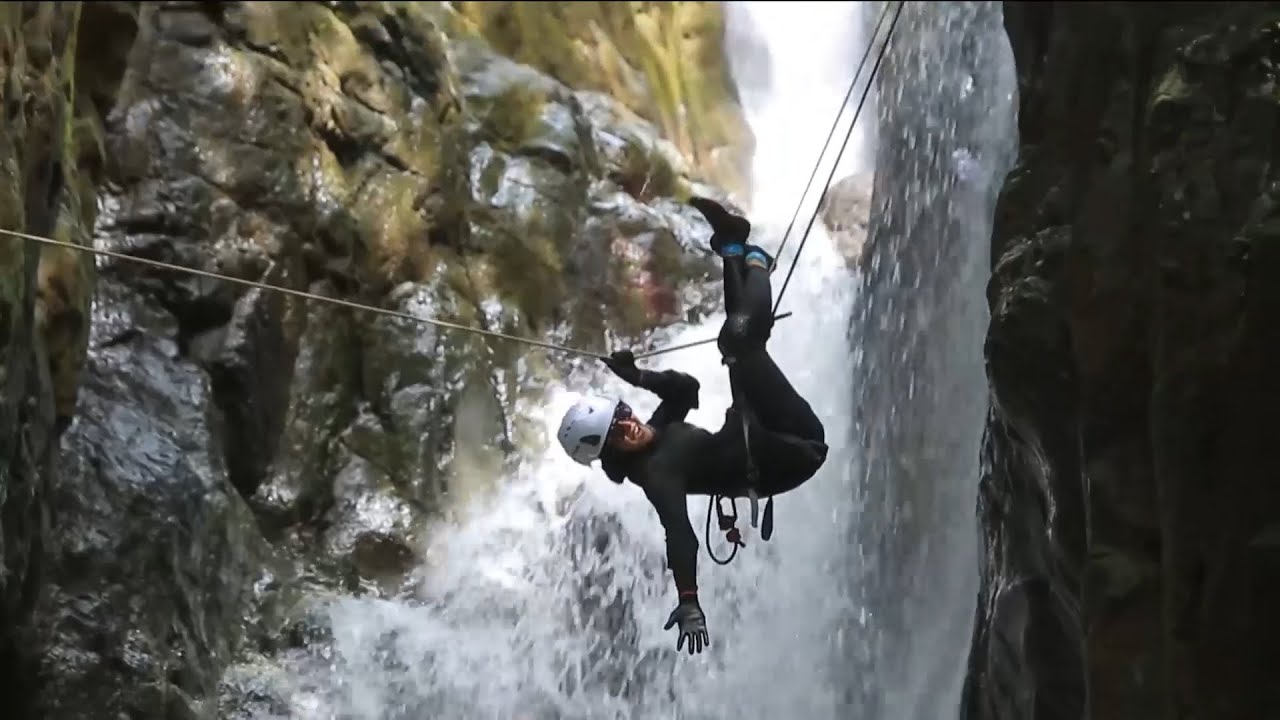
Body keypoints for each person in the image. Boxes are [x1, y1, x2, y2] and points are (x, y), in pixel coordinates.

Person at [555, 197, 829, 656]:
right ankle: (757, 261)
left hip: (761, 431)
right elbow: (679, 535)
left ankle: (732, 246)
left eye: (624, 413)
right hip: (794, 448)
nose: (630, 425)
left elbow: (686, 390)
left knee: (737, 346)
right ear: (609, 454)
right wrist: (689, 600)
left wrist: (637, 376)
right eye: (617, 432)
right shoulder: (657, 475)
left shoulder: (656, 432)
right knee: (740, 342)